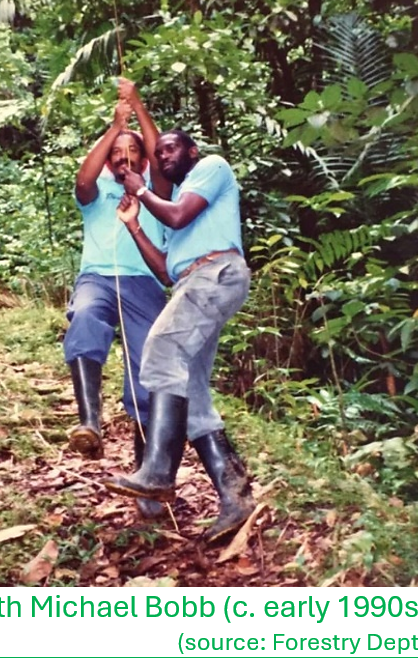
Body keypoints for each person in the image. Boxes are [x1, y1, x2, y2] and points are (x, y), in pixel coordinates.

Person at [104, 129, 256, 543]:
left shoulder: (211, 167)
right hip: (192, 281)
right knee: (192, 393)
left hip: (215, 273)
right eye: (159, 153)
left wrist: (141, 189)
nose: (163, 156)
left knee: (161, 348)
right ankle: (236, 498)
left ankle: (157, 471)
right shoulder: (175, 199)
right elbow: (166, 270)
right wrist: (134, 225)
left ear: (192, 150)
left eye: (170, 149)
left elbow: (177, 216)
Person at [63, 79, 171, 518]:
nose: (125, 159)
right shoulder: (97, 194)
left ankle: (147, 479)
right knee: (85, 318)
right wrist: (115, 127)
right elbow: (83, 178)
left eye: (132, 153)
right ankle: (90, 422)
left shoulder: (156, 192)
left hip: (144, 285)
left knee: (149, 373)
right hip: (97, 278)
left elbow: (160, 155)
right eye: (117, 155)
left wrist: (138, 107)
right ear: (109, 162)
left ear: (144, 161)